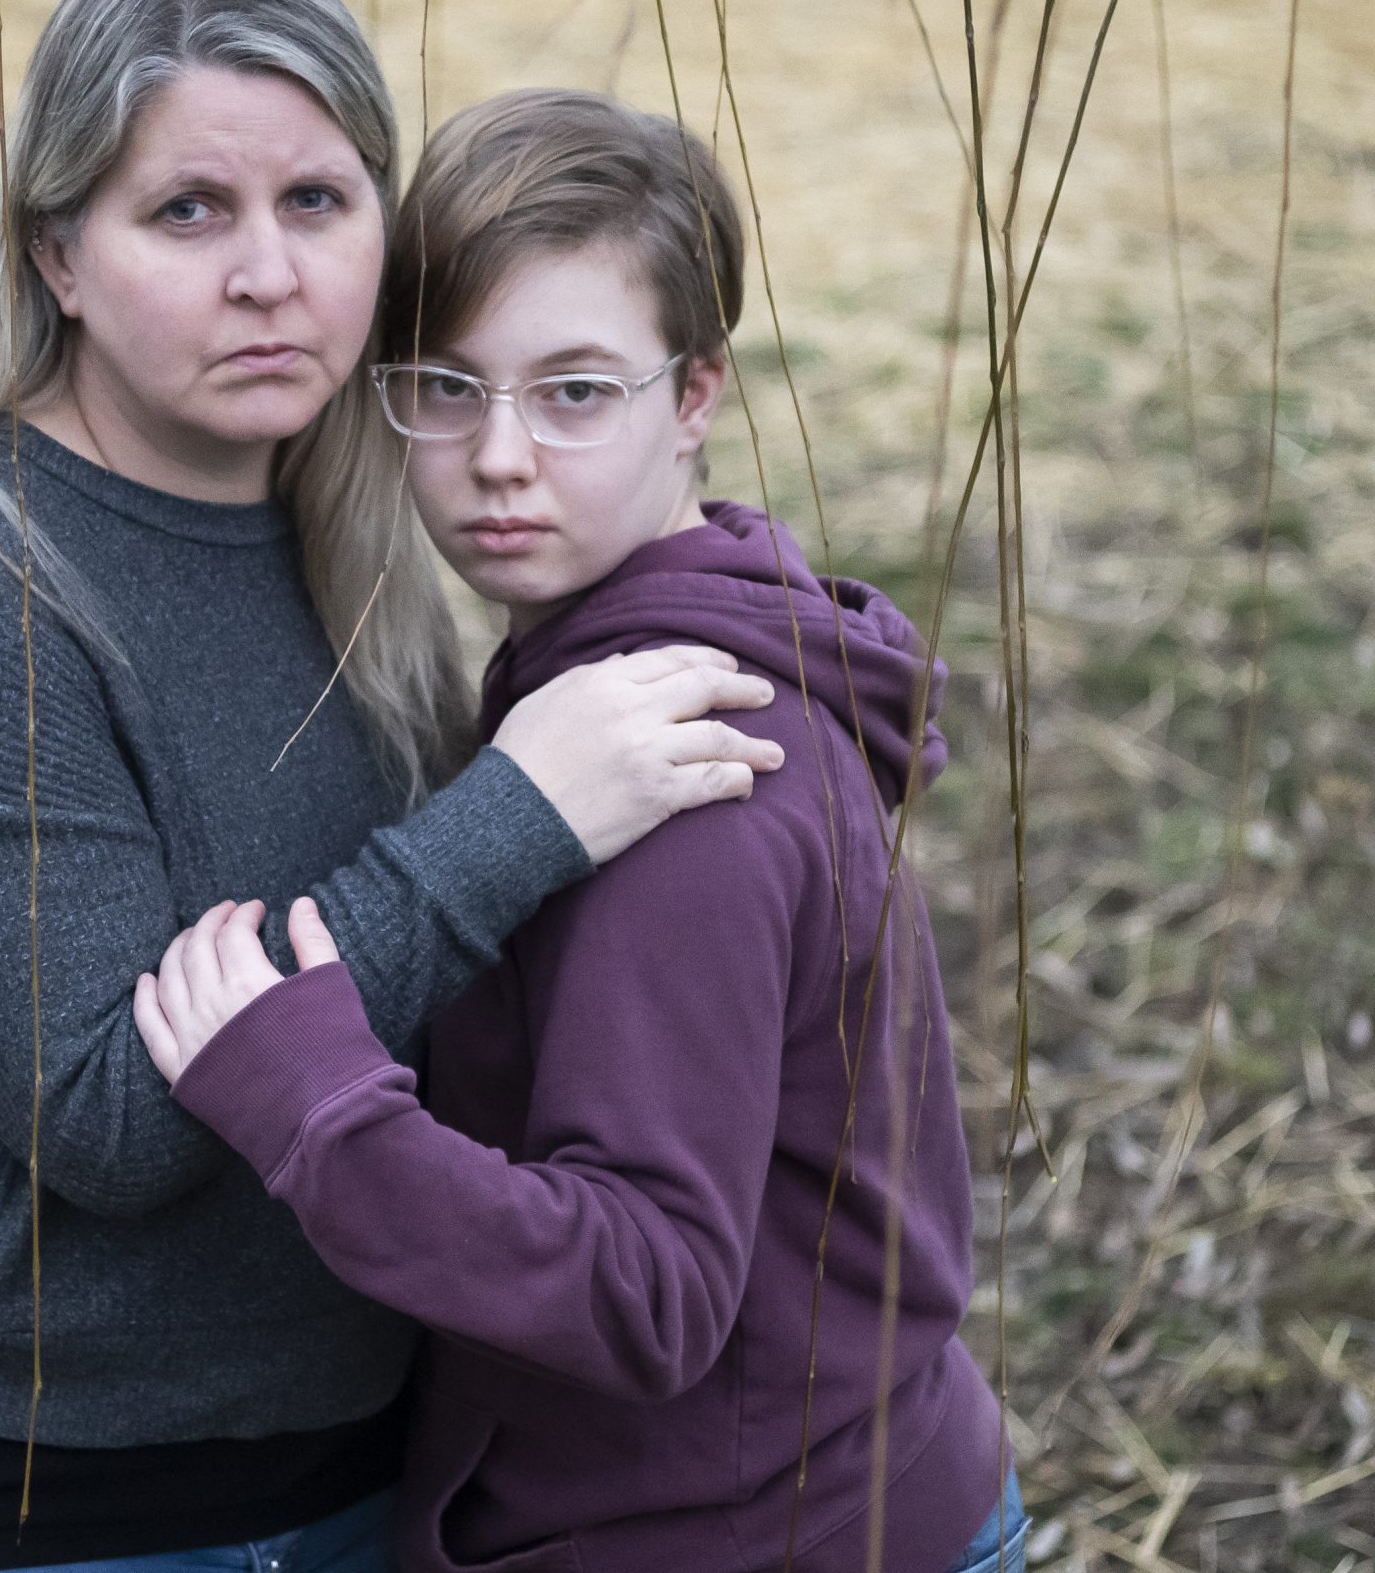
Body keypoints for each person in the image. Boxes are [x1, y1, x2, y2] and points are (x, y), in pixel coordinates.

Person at [0, 0, 787, 1573]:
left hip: (351, 1469)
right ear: (60, 256)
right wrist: (517, 818)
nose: (270, 275)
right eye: (187, 212)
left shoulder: (353, 541)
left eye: (318, 201)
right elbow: (115, 1121)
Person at [135, 90, 1024, 1573]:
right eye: (445, 385)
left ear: (695, 394)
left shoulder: (683, 784)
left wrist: (317, 1105)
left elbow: (649, 1289)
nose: (497, 458)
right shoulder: (637, 670)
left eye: (575, 392)